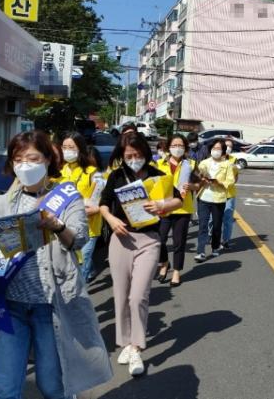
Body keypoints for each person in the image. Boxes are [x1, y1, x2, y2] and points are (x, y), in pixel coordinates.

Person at [0, 130, 112, 399]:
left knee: (52, 386)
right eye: (18, 159)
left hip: (50, 305)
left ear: (47, 159)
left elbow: (78, 239)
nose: (25, 165)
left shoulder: (66, 195)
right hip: (11, 304)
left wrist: (57, 226)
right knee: (5, 389)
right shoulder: (8, 199)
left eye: (32, 158)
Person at [99, 132, 182, 376]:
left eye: (137, 155)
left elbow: (178, 200)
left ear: (145, 153)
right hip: (121, 239)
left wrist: (162, 205)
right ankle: (125, 342)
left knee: (138, 296)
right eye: (128, 156)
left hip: (149, 240)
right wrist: (111, 219)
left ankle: (136, 348)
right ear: (122, 156)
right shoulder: (116, 176)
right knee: (121, 295)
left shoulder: (158, 176)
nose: (133, 160)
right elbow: (103, 204)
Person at [60, 131, 104, 283]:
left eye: (71, 147)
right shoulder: (60, 171)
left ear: (80, 149)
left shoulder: (93, 173)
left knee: (80, 267)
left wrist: (79, 212)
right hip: (65, 228)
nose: (67, 151)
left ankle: (80, 294)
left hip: (88, 229)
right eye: (64, 147)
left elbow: (99, 204)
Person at [156, 134, 197, 287]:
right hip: (164, 207)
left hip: (182, 209)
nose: (177, 148)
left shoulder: (191, 164)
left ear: (185, 148)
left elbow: (199, 183)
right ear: (168, 147)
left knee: (179, 242)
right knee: (159, 240)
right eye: (174, 145)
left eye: (180, 146)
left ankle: (176, 272)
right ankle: (164, 262)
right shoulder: (159, 164)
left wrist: (192, 186)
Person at [194, 138, 236, 262]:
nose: (216, 151)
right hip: (204, 197)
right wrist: (202, 178)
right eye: (214, 148)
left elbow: (231, 181)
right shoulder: (204, 163)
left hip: (219, 199)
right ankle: (201, 251)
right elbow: (198, 175)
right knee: (203, 225)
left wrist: (219, 183)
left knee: (217, 225)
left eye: (218, 149)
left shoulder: (227, 164)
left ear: (223, 151)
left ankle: (215, 247)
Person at [221, 137, 239, 249]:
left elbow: (236, 177)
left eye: (230, 147)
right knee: (212, 219)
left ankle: (225, 240)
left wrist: (230, 182)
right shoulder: (214, 158)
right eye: (226, 146)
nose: (228, 148)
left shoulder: (234, 160)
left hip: (229, 193)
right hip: (215, 193)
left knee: (228, 218)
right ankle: (211, 235)